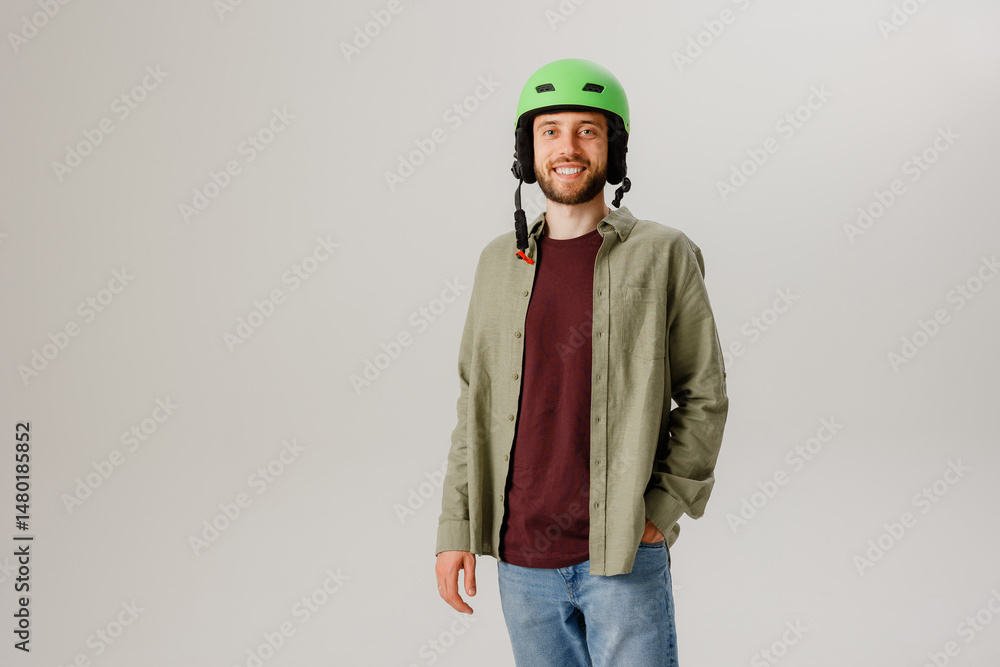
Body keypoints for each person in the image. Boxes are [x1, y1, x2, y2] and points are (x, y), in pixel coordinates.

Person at [434, 57, 729, 666]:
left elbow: (704, 395)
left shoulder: (664, 254)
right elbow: (474, 407)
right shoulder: (497, 262)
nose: (567, 147)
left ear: (612, 148)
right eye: (550, 131)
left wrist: (661, 511)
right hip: (520, 562)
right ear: (529, 148)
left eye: (586, 130)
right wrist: (455, 530)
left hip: (621, 553)